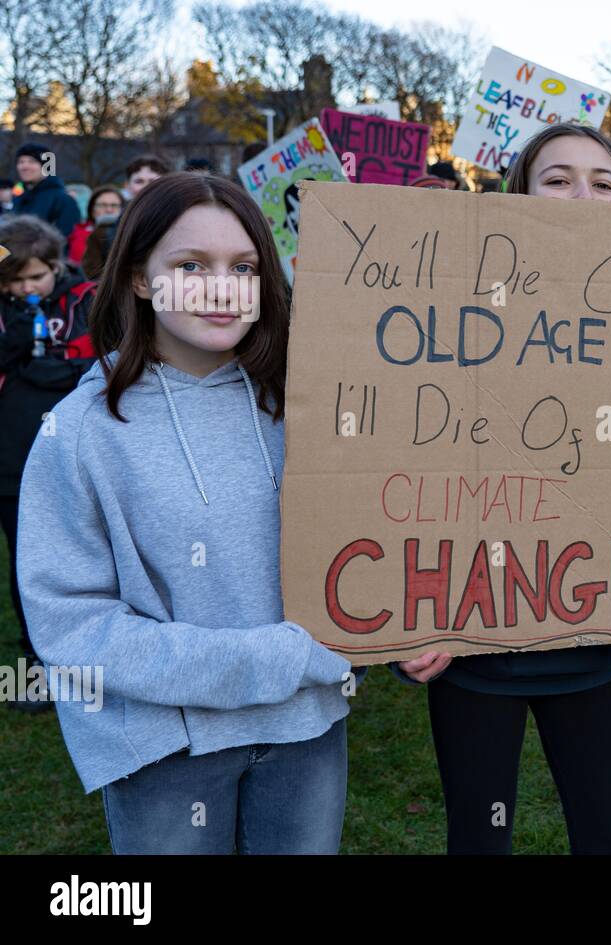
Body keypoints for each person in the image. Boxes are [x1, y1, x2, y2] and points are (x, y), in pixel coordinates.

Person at [16, 172, 359, 853]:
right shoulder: (80, 430)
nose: (223, 286)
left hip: (306, 728)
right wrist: (262, 659)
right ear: (142, 279)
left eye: (244, 266)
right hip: (162, 746)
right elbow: (71, 623)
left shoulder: (314, 408)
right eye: (191, 265)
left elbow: (368, 547)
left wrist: (403, 633)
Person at [404, 122, 611, 855]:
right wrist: (404, 618)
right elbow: (398, 457)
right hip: (471, 644)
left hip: (589, 641)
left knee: (609, 835)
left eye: (602, 181)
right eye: (557, 179)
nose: (580, 196)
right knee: (477, 837)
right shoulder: (452, 308)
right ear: (517, 193)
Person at [0, 217, 96, 694]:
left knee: (85, 550)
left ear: (56, 266)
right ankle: (36, 659)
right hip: (12, 457)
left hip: (80, 451)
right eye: (14, 280)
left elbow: (104, 358)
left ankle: (92, 646)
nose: (25, 287)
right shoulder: (6, 309)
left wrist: (54, 369)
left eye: (34, 277)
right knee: (26, 557)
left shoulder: (86, 299)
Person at [82, 155, 169, 279]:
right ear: (127, 185)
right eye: (139, 181)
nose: (147, 187)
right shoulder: (105, 229)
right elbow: (93, 275)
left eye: (153, 181)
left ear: (166, 184)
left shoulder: (181, 221)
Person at [11, 143, 80, 239]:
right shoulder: (18, 198)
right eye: (21, 162)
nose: (25, 166)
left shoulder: (63, 200)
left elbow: (66, 239)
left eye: (32, 161)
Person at [67, 186, 124, 268]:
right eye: (103, 205)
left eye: (114, 205)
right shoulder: (76, 232)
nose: (109, 210)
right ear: (92, 210)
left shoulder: (128, 234)